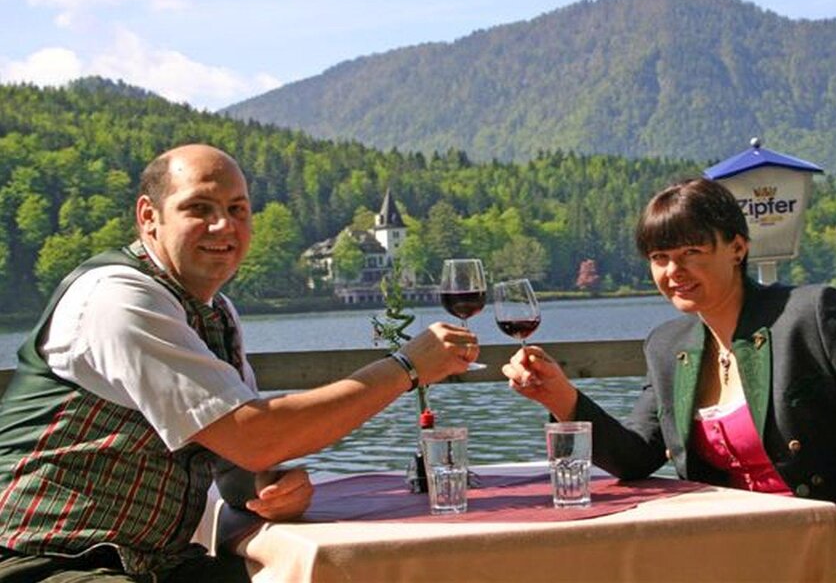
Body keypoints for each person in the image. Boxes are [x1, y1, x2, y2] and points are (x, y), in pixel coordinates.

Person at [0, 144, 478, 582]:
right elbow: (254, 436)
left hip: (157, 564)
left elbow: (238, 462)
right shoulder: (118, 299)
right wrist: (405, 367)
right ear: (149, 216)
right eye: (199, 208)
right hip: (43, 560)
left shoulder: (217, 313)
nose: (223, 226)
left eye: (237, 210)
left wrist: (267, 486)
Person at [502, 177, 836, 583]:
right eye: (660, 258)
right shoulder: (668, 346)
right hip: (740, 554)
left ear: (737, 248)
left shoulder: (810, 315)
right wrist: (562, 398)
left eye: (692, 253)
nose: (673, 272)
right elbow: (637, 456)